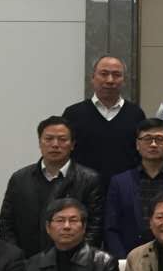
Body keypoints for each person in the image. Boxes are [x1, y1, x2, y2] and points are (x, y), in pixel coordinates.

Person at [0, 116, 103, 256]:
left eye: (62, 139)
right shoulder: (20, 179)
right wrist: (16, 258)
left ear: (72, 144)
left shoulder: (89, 179)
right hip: (26, 261)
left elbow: (94, 227)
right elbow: (6, 223)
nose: (55, 144)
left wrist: (77, 258)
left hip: (73, 261)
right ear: (40, 143)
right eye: (48, 139)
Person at [62, 55, 145, 189]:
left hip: (125, 190)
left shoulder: (136, 114)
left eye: (116, 75)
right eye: (104, 74)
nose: (110, 80)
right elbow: (65, 154)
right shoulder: (73, 113)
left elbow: (141, 156)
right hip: (82, 190)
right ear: (92, 78)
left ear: (124, 80)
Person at [104, 118, 163, 259]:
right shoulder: (119, 182)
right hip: (129, 258)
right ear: (137, 144)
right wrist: (123, 260)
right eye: (147, 139)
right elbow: (111, 227)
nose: (153, 144)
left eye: (159, 139)